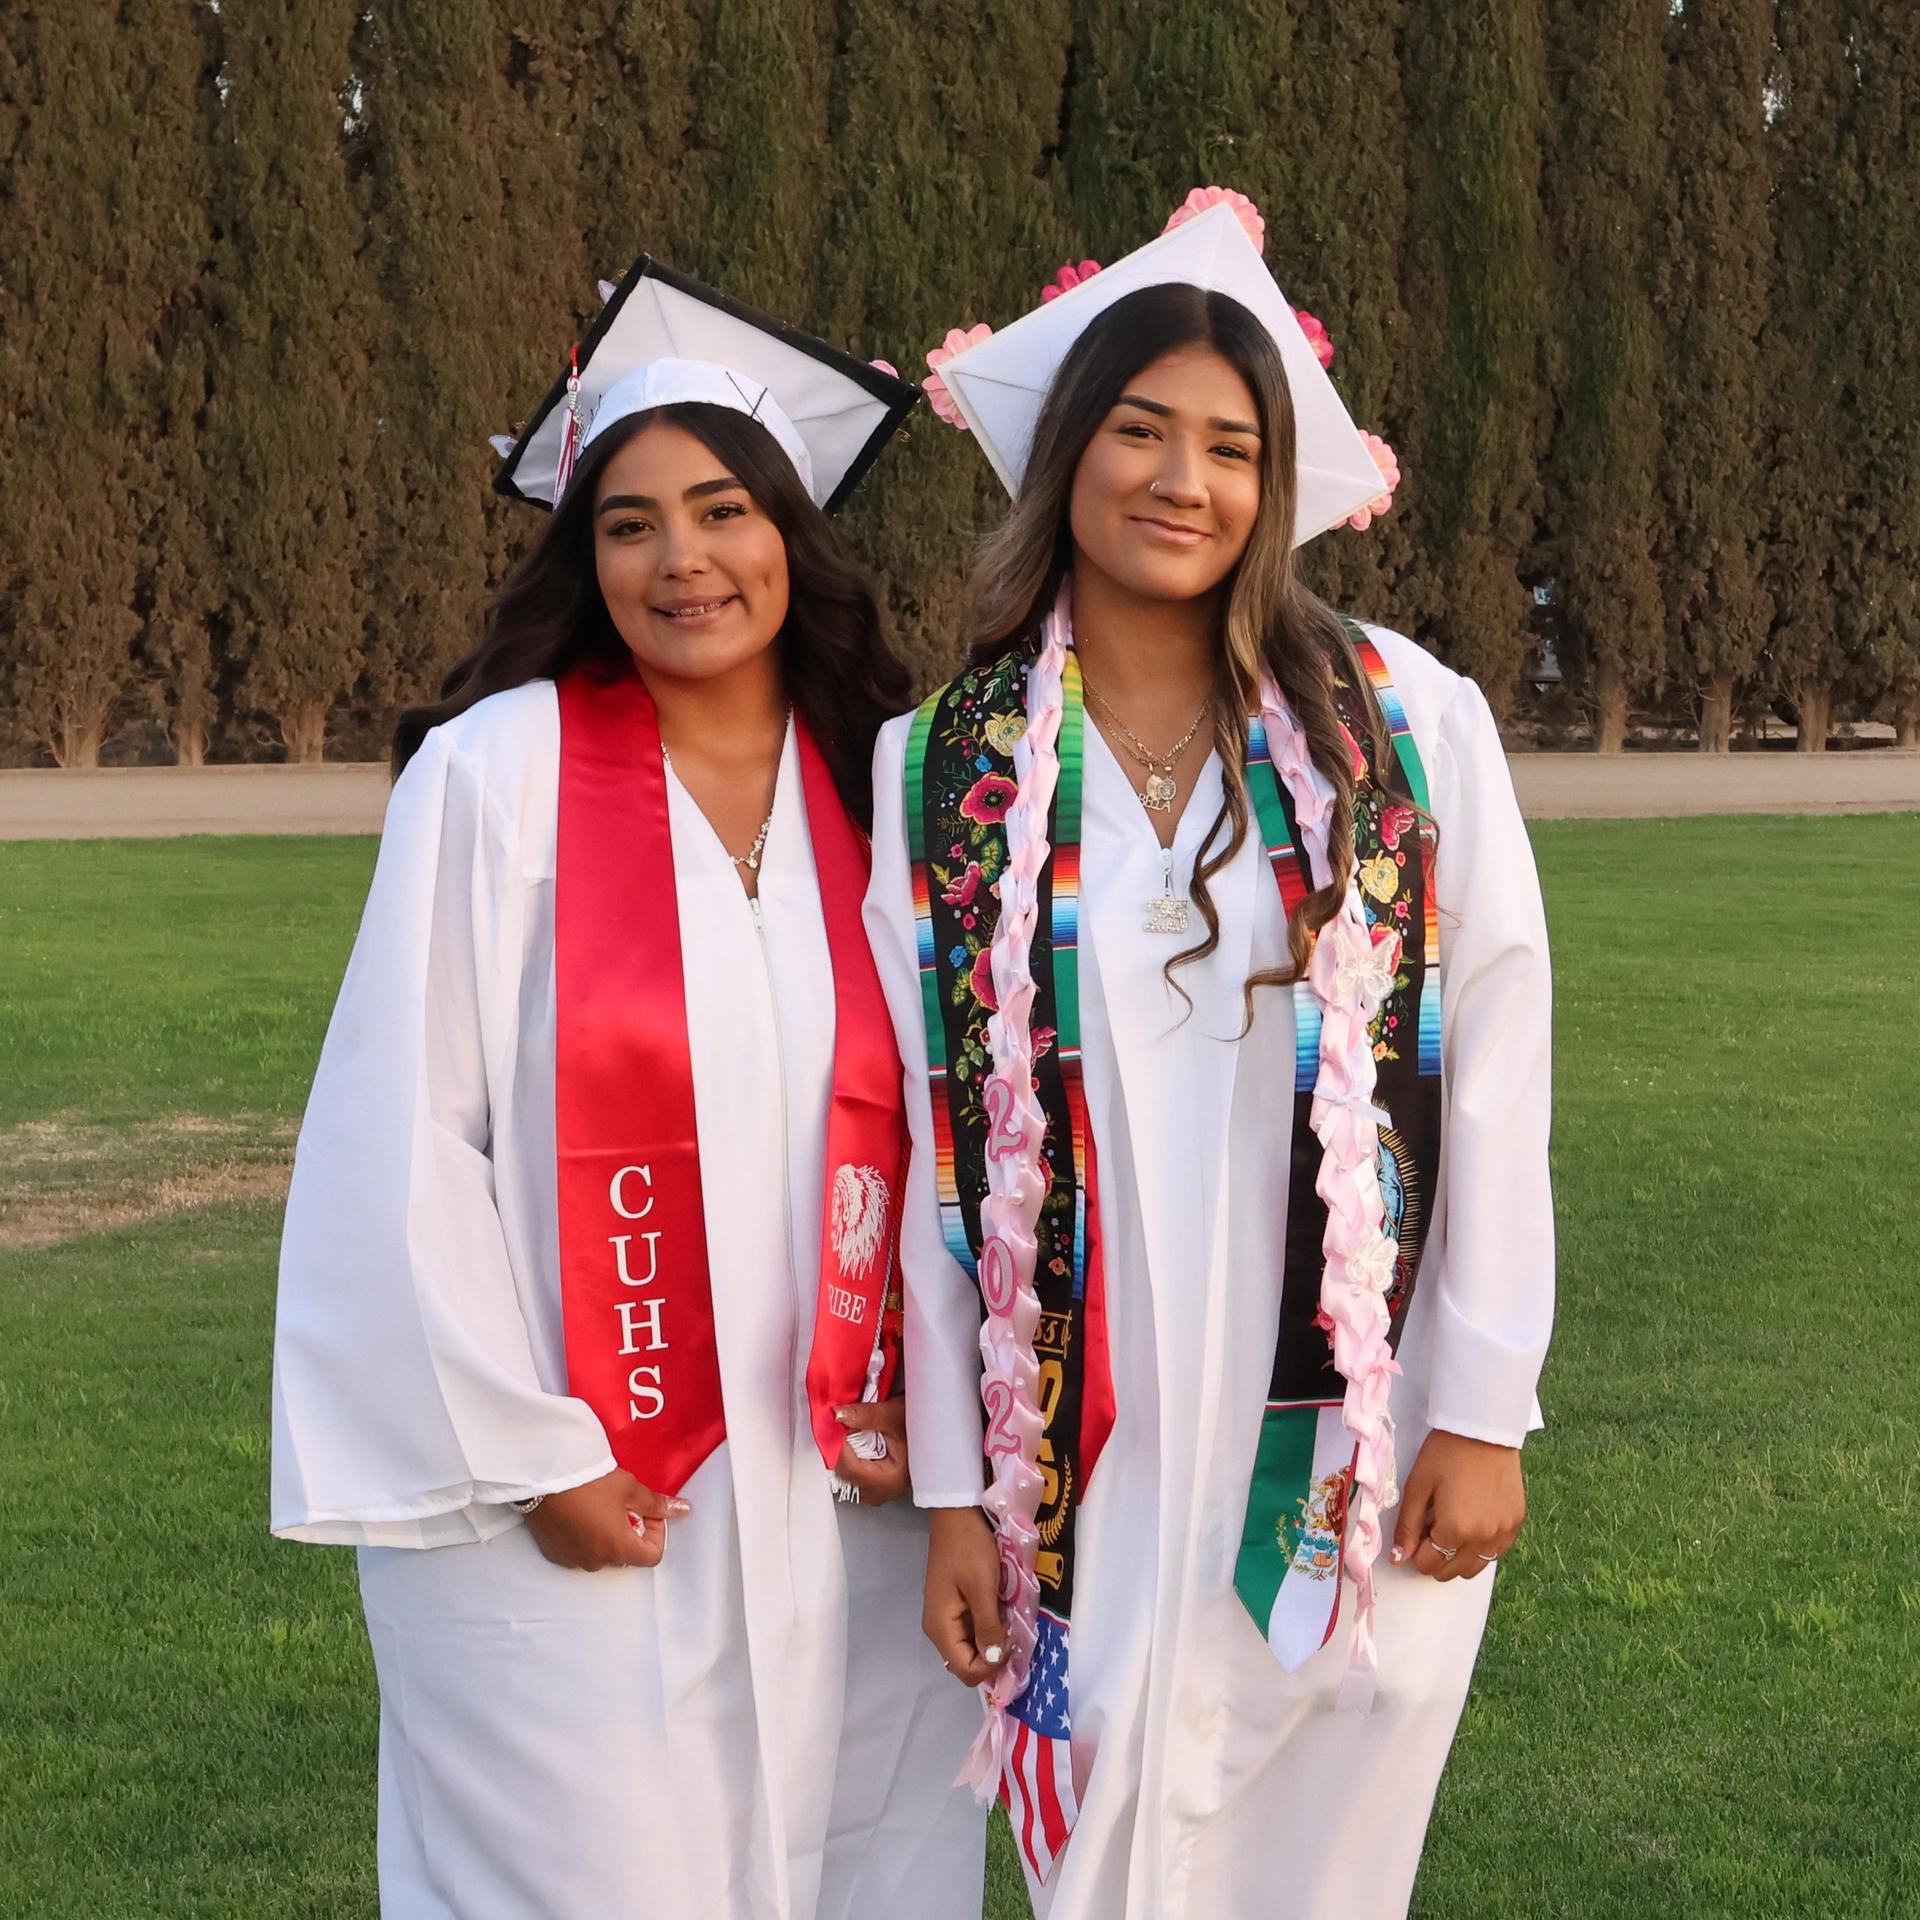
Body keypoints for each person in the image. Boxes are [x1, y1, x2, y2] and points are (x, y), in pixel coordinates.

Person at [863, 190, 1555, 1917]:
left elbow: (1498, 1069)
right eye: (1141, 430)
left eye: (1232, 446)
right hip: (1082, 1429)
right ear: (1063, 456)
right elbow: (944, 1152)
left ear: (1278, 486)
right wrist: (959, 1488)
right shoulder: (941, 768)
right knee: (1101, 1832)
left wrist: (1481, 1404)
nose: (1185, 479)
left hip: (1339, 1423)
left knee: (1326, 1846)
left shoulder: (1406, 721)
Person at [271, 259, 984, 1920]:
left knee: (854, 1865)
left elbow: (975, 1137)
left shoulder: (886, 793)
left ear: (789, 536)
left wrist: (936, 1424)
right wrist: (531, 1455)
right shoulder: (496, 775)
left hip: (844, 1492)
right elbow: (401, 1142)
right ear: (585, 562)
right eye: (630, 525)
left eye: (723, 509)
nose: (683, 562)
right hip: (582, 1486)